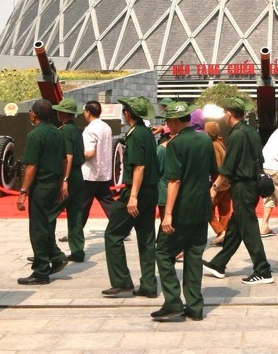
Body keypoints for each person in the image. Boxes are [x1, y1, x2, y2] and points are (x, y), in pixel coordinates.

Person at [152, 101, 216, 323]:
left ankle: (173, 302)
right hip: (202, 207)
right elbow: (213, 172)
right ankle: (195, 306)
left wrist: (167, 214)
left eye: (169, 120)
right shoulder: (205, 139)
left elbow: (174, 181)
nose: (168, 125)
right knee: (194, 255)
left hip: (182, 208)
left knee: (162, 252)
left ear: (177, 121)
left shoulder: (175, 144)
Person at [203, 97, 274, 285]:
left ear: (229, 114)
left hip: (243, 186)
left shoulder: (236, 135)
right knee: (235, 227)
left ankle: (263, 270)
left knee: (249, 229)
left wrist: (214, 187)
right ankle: (219, 263)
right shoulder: (252, 131)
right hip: (252, 184)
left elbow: (227, 167)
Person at [102, 96, 159, 298]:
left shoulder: (135, 135)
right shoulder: (147, 133)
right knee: (146, 238)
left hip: (138, 192)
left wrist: (133, 196)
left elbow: (139, 166)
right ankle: (149, 285)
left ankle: (122, 282)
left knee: (113, 234)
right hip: (151, 192)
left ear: (128, 114)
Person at [16, 99, 69, 285]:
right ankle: (56, 255)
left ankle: (40, 271)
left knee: (38, 228)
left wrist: (23, 191)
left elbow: (31, 165)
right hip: (54, 184)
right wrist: (62, 181)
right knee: (46, 224)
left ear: (34, 114)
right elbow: (64, 160)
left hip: (41, 186)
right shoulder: (57, 133)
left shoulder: (35, 135)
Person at [52, 98, 86, 263]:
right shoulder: (76, 130)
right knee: (76, 213)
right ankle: (78, 250)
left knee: (51, 213)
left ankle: (48, 251)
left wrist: (64, 179)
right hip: (78, 175)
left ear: (63, 113)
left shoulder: (64, 131)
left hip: (69, 174)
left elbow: (68, 156)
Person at [79, 101, 116, 235]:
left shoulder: (89, 130)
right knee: (108, 202)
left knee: (82, 205)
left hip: (90, 173)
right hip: (104, 172)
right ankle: (119, 227)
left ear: (88, 112)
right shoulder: (106, 127)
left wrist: (77, 153)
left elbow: (89, 153)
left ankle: (76, 232)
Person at [206, 118, 232, 246]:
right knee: (225, 211)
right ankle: (224, 233)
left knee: (207, 210)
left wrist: (213, 186)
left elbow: (217, 166)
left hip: (218, 184)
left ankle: (220, 231)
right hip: (226, 183)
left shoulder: (213, 146)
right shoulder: (221, 142)